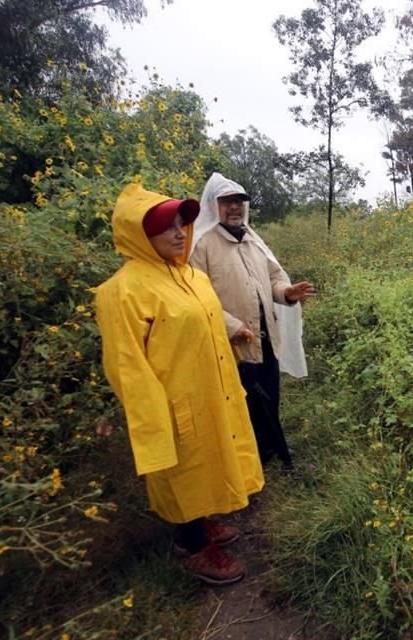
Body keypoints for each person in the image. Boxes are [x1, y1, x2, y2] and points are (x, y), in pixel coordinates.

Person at [95, 183, 263, 586]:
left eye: (180, 223)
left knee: (208, 463)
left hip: (211, 389)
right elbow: (126, 365)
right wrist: (154, 419)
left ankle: (204, 523)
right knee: (184, 474)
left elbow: (208, 327)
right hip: (172, 404)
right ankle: (191, 548)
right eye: (164, 227)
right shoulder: (123, 291)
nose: (177, 233)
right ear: (137, 234)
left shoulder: (189, 275)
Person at [190, 172, 314, 469]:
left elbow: (273, 278)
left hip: (264, 335)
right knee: (241, 402)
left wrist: (287, 292)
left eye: (239, 202)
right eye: (227, 202)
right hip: (230, 343)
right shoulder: (202, 246)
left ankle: (269, 451)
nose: (234, 207)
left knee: (269, 395)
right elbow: (196, 297)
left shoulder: (252, 241)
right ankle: (248, 461)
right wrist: (232, 327)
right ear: (212, 206)